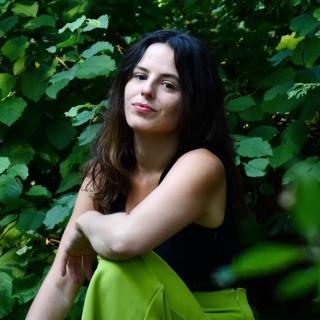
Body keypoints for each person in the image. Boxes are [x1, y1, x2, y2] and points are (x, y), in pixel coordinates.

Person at [27, 29, 254, 319]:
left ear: (193, 102)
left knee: (117, 269)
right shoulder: (104, 173)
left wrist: (85, 224)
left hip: (205, 314)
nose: (147, 90)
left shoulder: (202, 165)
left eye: (169, 85)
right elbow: (60, 282)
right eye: (140, 76)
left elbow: (123, 242)